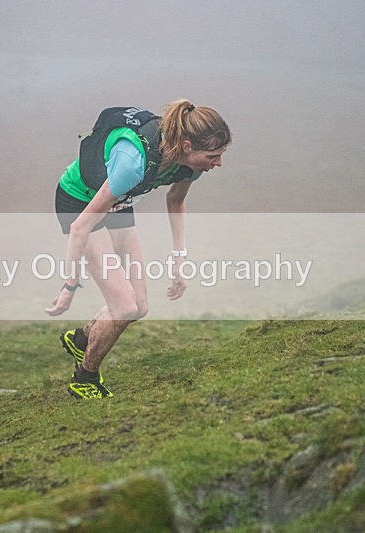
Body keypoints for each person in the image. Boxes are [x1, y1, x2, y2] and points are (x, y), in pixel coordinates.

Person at [45, 100, 231, 399]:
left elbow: (176, 201)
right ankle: (85, 379)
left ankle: (81, 340)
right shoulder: (132, 163)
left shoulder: (191, 167)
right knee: (124, 307)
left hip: (118, 202)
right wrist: (69, 286)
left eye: (220, 155)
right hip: (80, 202)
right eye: (213, 156)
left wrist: (179, 258)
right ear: (187, 146)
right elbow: (80, 227)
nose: (218, 163)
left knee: (139, 307)